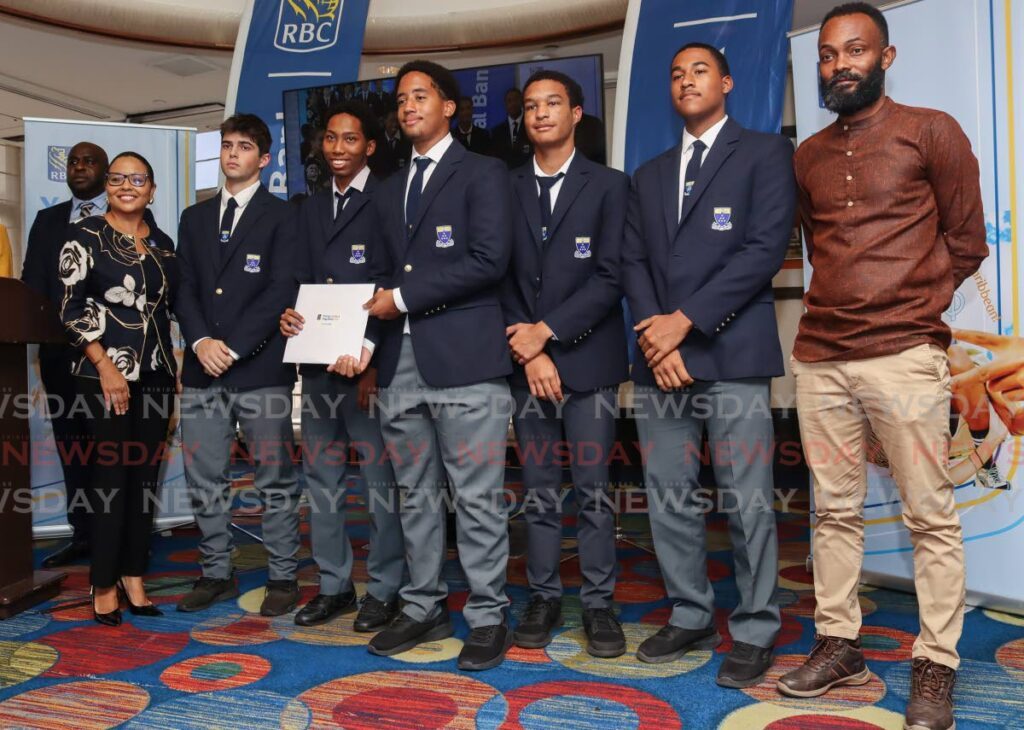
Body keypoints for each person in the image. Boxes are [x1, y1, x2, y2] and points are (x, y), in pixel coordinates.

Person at [776, 6, 988, 729]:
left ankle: (937, 665)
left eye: (855, 51)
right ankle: (841, 646)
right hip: (821, 358)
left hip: (903, 354)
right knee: (833, 512)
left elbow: (967, 242)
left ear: (886, 57)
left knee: (929, 515)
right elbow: (817, 248)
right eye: (829, 56)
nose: (840, 65)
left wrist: (914, 307)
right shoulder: (806, 155)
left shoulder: (932, 131)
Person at [622, 43, 794, 687]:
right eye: (676, 74)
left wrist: (683, 324)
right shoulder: (649, 173)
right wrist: (659, 341)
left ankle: (755, 625)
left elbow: (763, 250)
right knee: (668, 497)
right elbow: (631, 263)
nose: (686, 80)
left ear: (724, 81)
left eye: (699, 70)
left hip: (731, 352)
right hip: (658, 361)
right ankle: (691, 612)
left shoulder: (767, 153)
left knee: (746, 500)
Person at [357, 60, 515, 671]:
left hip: (467, 359)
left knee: (476, 497)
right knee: (414, 496)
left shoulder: (484, 172)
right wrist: (369, 339)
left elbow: (488, 259)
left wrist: (400, 299)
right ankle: (422, 605)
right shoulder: (388, 187)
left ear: (449, 106)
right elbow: (379, 275)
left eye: (420, 96)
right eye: (400, 99)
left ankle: (487, 614)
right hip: (399, 363)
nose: (408, 107)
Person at [502, 70, 628, 657]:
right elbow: (496, 275)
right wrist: (529, 351)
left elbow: (611, 277)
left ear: (577, 113)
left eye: (553, 103)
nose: (541, 113)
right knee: (539, 491)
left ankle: (600, 604)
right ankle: (545, 595)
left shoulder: (609, 186)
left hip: (589, 362)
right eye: (531, 106)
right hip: (526, 367)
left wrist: (546, 335)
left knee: (595, 491)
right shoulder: (503, 188)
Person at [279, 101, 406, 631]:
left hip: (368, 369)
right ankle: (334, 585)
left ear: (369, 147)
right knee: (323, 482)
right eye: (330, 139)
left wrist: (372, 355)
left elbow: (394, 280)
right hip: (317, 368)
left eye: (350, 140)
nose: (337, 149)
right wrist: (286, 315)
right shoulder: (308, 207)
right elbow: (300, 279)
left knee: (380, 485)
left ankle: (385, 588)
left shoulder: (391, 198)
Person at [174, 114, 302, 617]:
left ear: (263, 159)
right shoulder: (193, 217)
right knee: (205, 476)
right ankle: (215, 573)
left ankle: (284, 575)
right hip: (202, 367)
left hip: (260, 367)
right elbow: (183, 287)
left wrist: (233, 346)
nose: (232, 154)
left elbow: (281, 288)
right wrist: (203, 340)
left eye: (244, 147)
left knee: (275, 478)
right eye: (227, 145)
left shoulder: (284, 215)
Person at [57, 151, 178, 625]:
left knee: (143, 481)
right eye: (117, 178)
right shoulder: (83, 235)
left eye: (138, 179)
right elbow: (71, 308)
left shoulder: (164, 244)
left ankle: (133, 576)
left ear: (151, 190)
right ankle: (103, 582)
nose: (127, 186)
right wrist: (106, 365)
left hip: (157, 375)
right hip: (103, 374)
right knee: (110, 481)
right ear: (108, 186)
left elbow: (168, 311)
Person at [22, 141, 110, 568]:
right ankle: (83, 536)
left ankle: (118, 537)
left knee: (111, 449)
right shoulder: (47, 220)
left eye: (88, 161)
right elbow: (33, 285)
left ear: (105, 170)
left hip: (112, 358)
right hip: (60, 356)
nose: (78, 167)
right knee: (73, 448)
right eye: (73, 162)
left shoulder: (125, 214)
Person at [490, 87, 532, 168]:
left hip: (528, 174)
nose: (513, 103)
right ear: (505, 104)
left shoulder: (531, 127)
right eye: (509, 101)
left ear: (522, 102)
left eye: (516, 99)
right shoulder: (497, 132)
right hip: (505, 175)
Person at [372, 110, 411, 178]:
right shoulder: (376, 141)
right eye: (391, 120)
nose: (394, 124)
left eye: (396, 121)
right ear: (385, 121)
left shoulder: (407, 141)